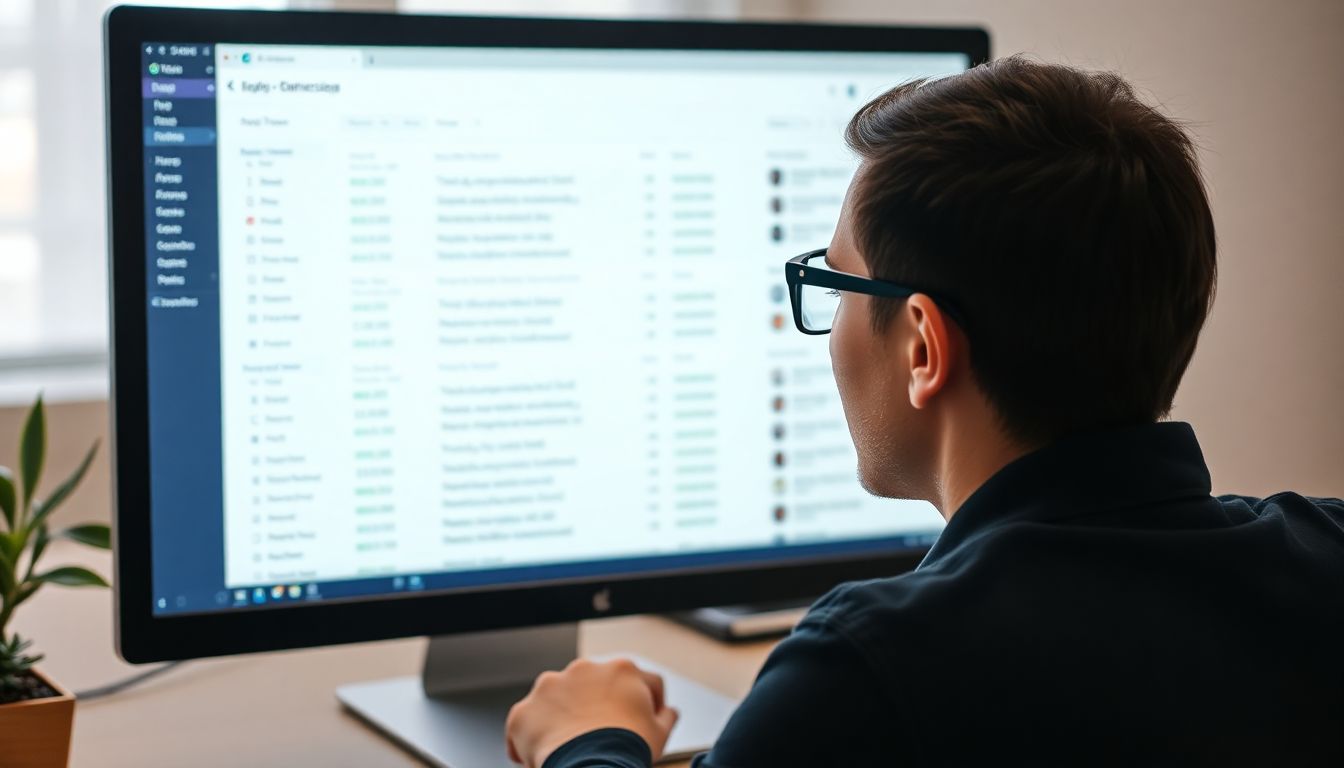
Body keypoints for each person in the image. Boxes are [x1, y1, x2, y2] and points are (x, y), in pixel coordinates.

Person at [504, 55, 1344, 767]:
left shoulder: (868, 675)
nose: (829, 330)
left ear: (922, 347)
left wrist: (590, 739)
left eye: (833, 284)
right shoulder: (1326, 553)